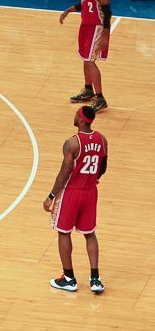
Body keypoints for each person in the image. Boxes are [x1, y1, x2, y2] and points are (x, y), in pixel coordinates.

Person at [43, 105, 108, 294]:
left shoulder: (72, 143)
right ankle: (95, 279)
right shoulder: (102, 140)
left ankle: (69, 278)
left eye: (75, 114)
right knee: (90, 233)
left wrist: (51, 196)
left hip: (72, 192)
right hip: (90, 191)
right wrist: (93, 179)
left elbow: (65, 172)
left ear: (80, 119)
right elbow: (103, 166)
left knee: (63, 232)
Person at [59, 0, 112, 113]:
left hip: (97, 26)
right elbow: (85, 3)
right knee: (85, 58)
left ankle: (100, 98)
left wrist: (105, 35)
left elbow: (108, 12)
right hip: (86, 25)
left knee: (90, 61)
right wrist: (69, 10)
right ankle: (88, 90)